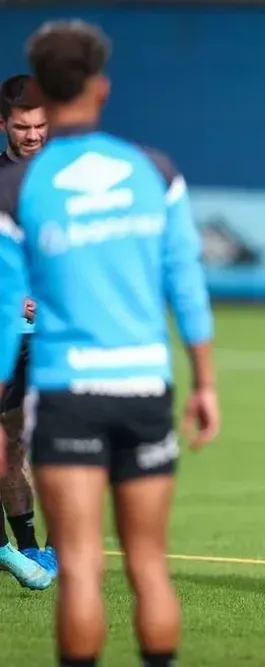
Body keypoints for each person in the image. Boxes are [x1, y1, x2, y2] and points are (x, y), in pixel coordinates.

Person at [0, 20, 219, 667]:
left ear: (42, 90)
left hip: (66, 392)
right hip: (144, 386)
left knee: (81, 569)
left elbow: (10, 310)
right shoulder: (154, 169)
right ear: (101, 87)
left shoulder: (16, 189)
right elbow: (186, 282)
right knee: (149, 563)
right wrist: (205, 381)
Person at [0, 73, 58, 580]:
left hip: (60, 333)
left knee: (62, 439)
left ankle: (59, 547)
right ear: (3, 125)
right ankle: (27, 547)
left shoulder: (65, 179)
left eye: (40, 125)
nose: (33, 135)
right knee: (10, 441)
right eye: (22, 127)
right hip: (9, 334)